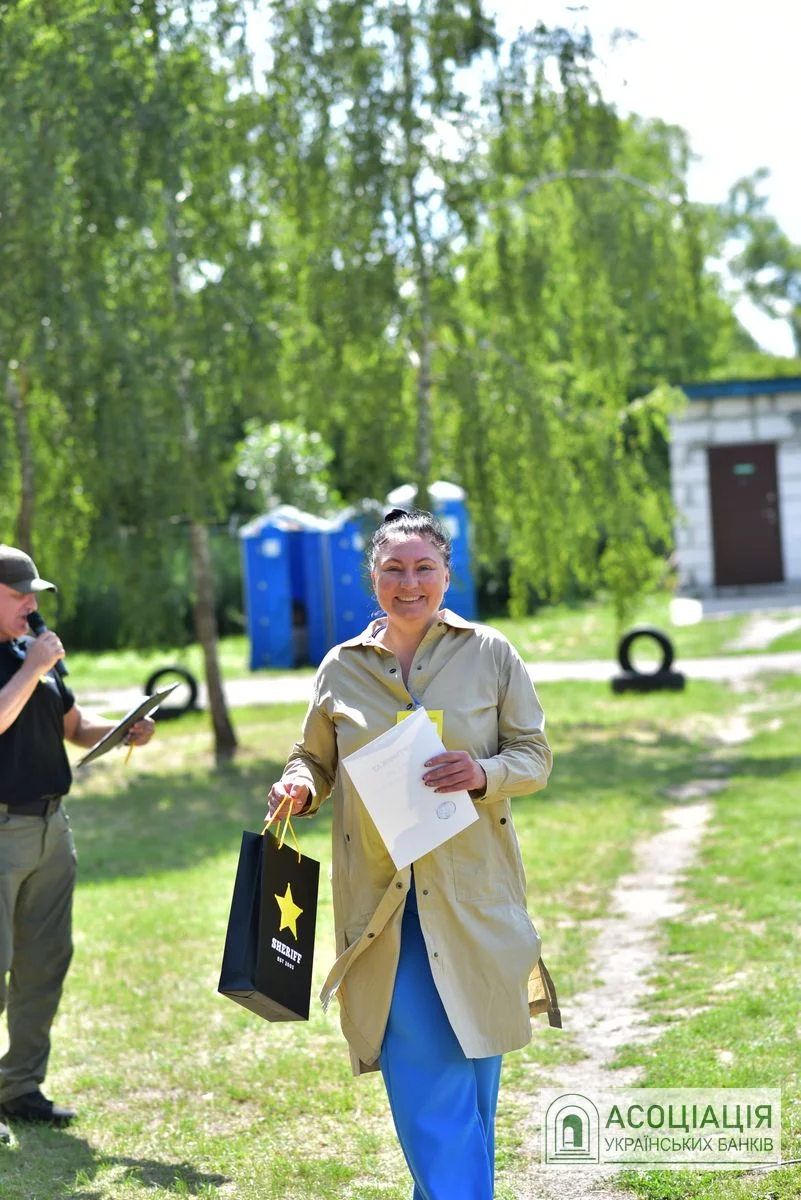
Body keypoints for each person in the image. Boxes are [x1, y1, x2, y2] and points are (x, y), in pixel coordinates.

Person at [266, 509, 560, 1199]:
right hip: (383, 913)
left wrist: (482, 772)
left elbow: (534, 756)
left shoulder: (490, 654)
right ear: (372, 577)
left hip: (472, 903)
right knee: (431, 1096)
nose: (408, 582)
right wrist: (298, 786)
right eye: (393, 569)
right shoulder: (342, 667)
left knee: (472, 1092)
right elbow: (314, 757)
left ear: (446, 575)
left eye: (424, 567)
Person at [0, 544, 155, 1145]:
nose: (31, 604)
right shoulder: (32, 659)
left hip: (51, 828)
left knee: (44, 964)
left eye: (35, 595)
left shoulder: (33, 652)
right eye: (19, 595)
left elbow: (74, 726)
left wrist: (124, 730)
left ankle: (19, 1087)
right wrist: (33, 667)